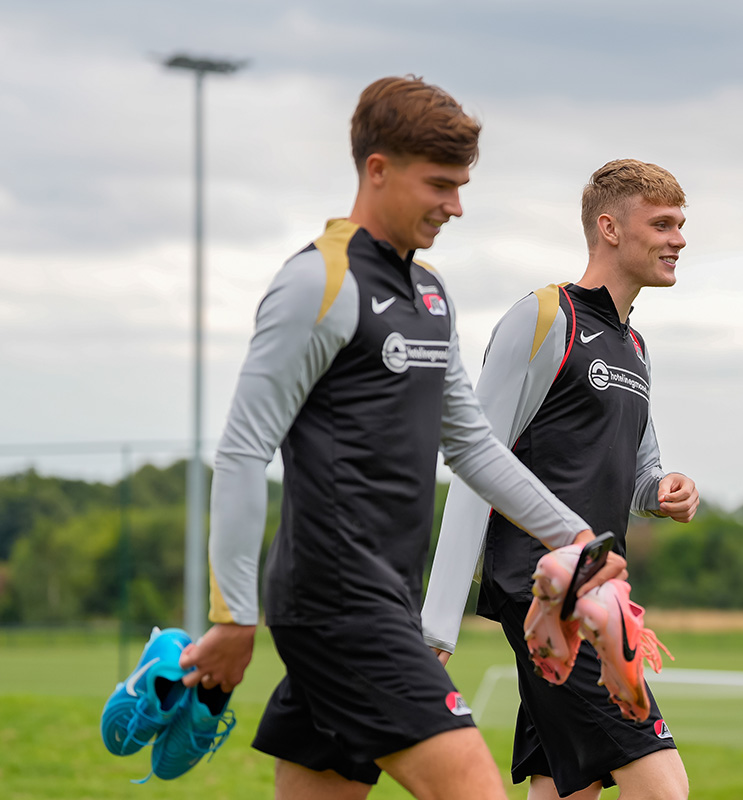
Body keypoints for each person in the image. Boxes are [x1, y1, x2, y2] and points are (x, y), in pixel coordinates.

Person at [177, 75, 626, 800]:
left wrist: (575, 539)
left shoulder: (430, 294)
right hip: (338, 607)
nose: (455, 206)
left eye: (461, 186)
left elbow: (472, 445)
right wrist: (233, 617)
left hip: (385, 597)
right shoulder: (316, 284)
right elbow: (242, 451)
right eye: (439, 185)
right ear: (378, 170)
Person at [422, 159, 700, 800]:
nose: (679, 239)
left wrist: (663, 490)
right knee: (663, 788)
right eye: (662, 224)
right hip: (546, 593)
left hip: (600, 594)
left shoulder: (635, 347)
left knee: (565, 791)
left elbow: (640, 474)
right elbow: (475, 460)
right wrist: (437, 627)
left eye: (680, 225)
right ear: (610, 227)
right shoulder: (546, 316)